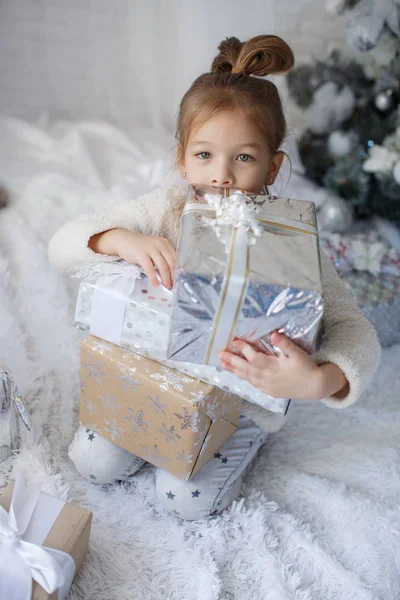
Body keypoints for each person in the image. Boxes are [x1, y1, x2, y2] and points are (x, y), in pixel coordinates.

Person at [48, 34, 381, 521]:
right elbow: (62, 245)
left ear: (273, 166)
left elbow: (357, 332)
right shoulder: (166, 210)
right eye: (205, 155)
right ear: (182, 157)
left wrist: (318, 381)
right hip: (149, 379)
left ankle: (244, 443)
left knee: (182, 501)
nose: (221, 174)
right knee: (94, 465)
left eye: (243, 158)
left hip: (233, 403)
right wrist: (120, 240)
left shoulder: (292, 242)